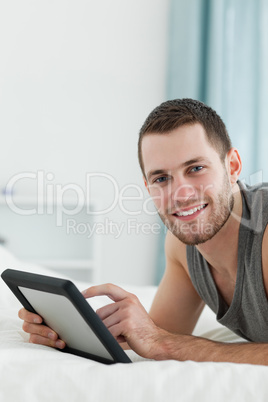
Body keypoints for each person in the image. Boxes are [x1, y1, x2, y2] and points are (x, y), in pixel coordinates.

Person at [19, 98, 268, 365]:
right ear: (148, 187)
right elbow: (156, 337)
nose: (180, 195)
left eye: (196, 168)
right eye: (161, 178)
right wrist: (68, 332)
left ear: (232, 167)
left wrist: (165, 343)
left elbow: (166, 343)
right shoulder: (181, 245)